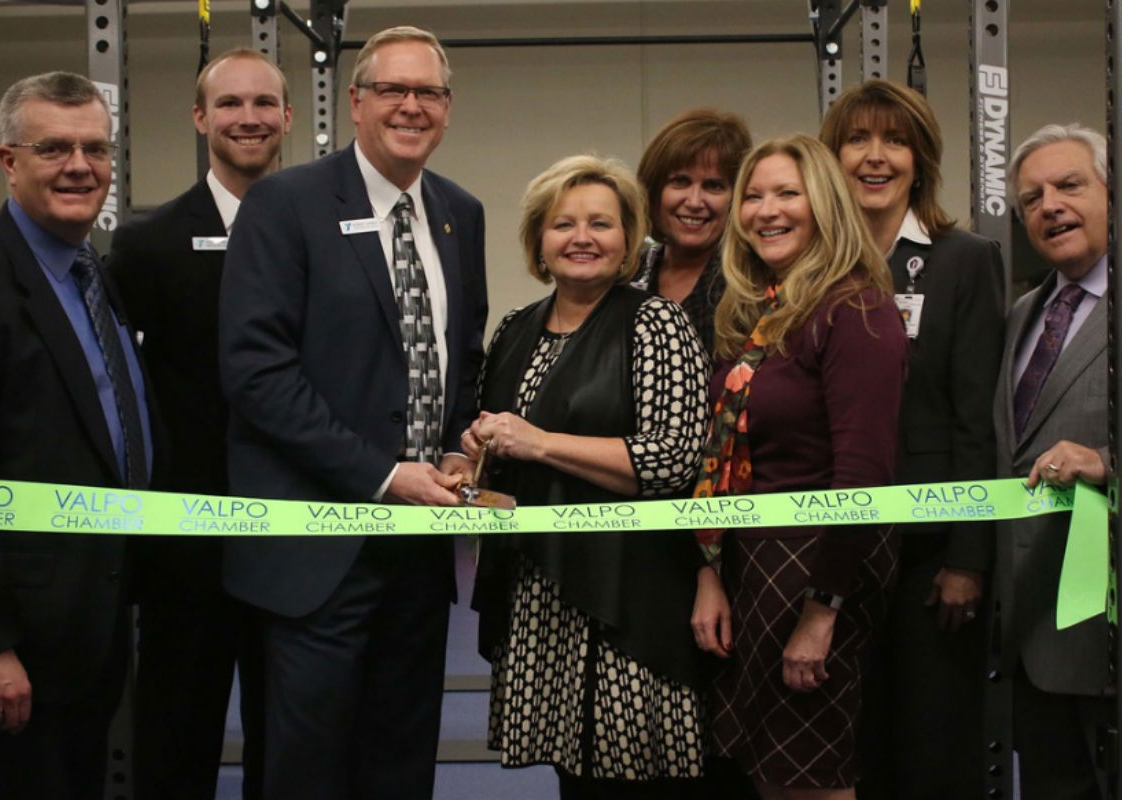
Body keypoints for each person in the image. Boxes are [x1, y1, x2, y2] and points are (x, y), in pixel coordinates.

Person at [217, 26, 486, 800]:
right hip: (316, 550)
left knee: (401, 761)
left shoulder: (457, 214)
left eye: (428, 92)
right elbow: (256, 373)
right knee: (309, 770)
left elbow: (458, 357)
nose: (411, 106)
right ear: (356, 102)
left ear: (447, 107)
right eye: (393, 91)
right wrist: (382, 475)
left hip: (418, 552)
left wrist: (461, 447)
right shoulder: (285, 204)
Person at [466, 154, 710, 798]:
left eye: (601, 223)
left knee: (633, 779)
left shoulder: (657, 322)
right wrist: (477, 451)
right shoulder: (515, 329)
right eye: (562, 224)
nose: (581, 237)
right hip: (540, 591)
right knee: (574, 782)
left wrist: (540, 443)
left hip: (629, 596)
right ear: (538, 243)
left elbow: (673, 459)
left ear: (629, 240)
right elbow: (498, 443)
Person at [691, 134, 908, 800]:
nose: (766, 210)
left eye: (788, 193)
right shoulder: (764, 312)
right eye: (753, 196)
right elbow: (723, 460)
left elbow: (863, 477)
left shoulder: (856, 311)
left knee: (811, 776)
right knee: (773, 772)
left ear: (826, 205)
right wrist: (710, 570)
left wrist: (823, 613)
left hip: (818, 572)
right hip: (756, 565)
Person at [107, 48, 290, 800]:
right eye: (230, 104)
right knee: (177, 735)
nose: (248, 118)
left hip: (292, 532)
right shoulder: (146, 246)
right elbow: (124, 392)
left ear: (285, 116)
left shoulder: (317, 234)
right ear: (199, 118)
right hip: (188, 542)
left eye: (263, 104)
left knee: (287, 741)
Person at [818, 79, 1005, 800]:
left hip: (932, 556)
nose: (874, 156)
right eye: (857, 139)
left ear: (919, 157)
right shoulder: (813, 262)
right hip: (834, 549)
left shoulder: (965, 259)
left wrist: (968, 556)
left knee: (931, 748)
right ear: (832, 155)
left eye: (893, 140)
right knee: (848, 743)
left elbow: (975, 417)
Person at [997, 123, 1122, 800]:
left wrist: (1113, 461)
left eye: (1070, 185)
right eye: (1031, 198)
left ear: (1116, 192)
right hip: (1034, 635)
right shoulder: (1023, 313)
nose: (1049, 205)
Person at [0, 71, 159, 799]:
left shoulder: (91, 271)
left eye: (96, 147)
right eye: (53, 147)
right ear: (8, 160)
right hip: (20, 642)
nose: (80, 166)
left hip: (93, 618)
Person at [635, 108, 751, 353]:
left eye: (714, 186)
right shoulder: (629, 274)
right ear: (654, 190)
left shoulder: (751, 284)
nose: (695, 202)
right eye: (680, 181)